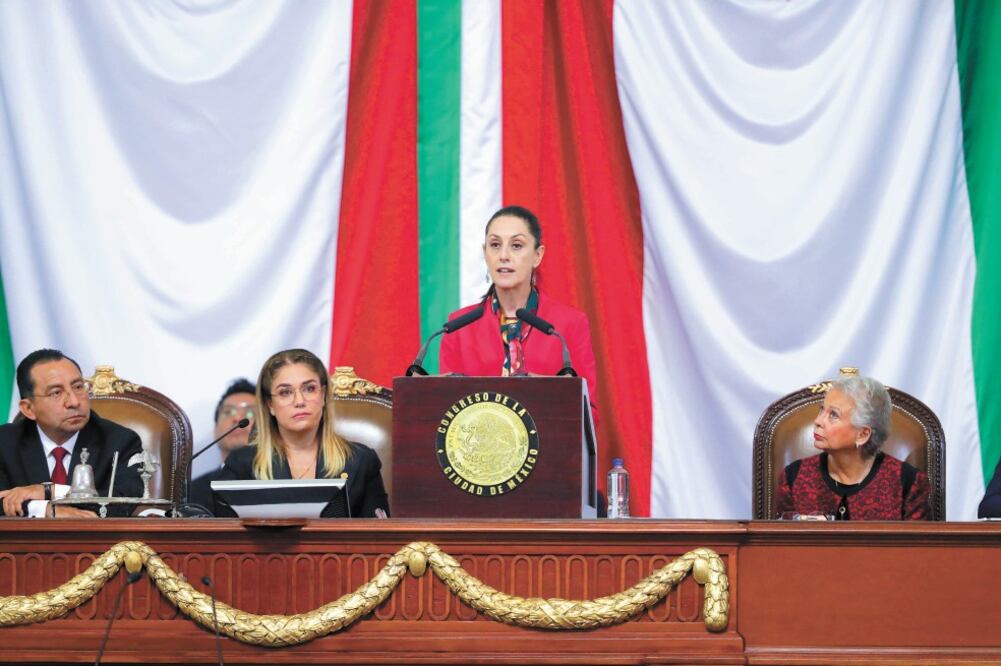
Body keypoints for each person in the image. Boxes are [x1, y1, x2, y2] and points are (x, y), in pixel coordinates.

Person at [439, 205, 599, 422]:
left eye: (516, 245)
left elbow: (589, 413)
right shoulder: (458, 326)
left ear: (537, 255)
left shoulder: (569, 324)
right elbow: (446, 410)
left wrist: (542, 392)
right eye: (495, 245)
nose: (503, 256)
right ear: (485, 254)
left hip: (548, 451)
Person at [214, 349, 389, 517]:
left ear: (323, 396)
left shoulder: (360, 461)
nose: (299, 401)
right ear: (270, 405)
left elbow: (378, 539)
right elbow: (226, 541)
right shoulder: (241, 465)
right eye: (285, 392)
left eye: (309, 389)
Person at [0, 349, 143, 517]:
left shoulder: (119, 441)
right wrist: (45, 510)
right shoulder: (4, 443)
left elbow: (126, 503)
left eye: (78, 387)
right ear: (28, 408)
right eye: (56, 393)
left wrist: (50, 491)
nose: (74, 402)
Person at [774, 375, 931, 520]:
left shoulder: (909, 484)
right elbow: (782, 546)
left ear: (862, 434)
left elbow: (917, 549)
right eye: (822, 410)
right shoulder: (793, 478)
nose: (818, 421)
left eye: (833, 415)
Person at [188, 378, 256, 510]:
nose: (237, 418)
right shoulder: (194, 490)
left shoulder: (278, 481)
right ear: (215, 430)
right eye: (229, 412)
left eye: (250, 412)